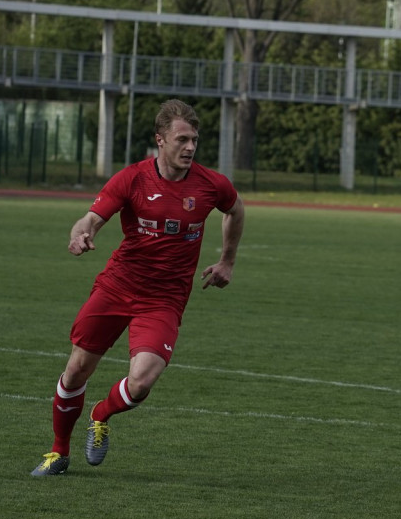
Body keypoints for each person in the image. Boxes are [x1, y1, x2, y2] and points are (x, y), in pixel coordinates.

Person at [30, 99, 246, 476]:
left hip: (164, 299)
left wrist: (227, 260)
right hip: (118, 286)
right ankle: (58, 451)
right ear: (160, 139)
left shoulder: (211, 184)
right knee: (77, 369)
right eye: (182, 139)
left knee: (142, 382)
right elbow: (91, 219)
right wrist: (80, 235)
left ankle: (100, 415)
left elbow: (235, 209)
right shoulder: (132, 179)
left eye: (194, 140)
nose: (190, 147)